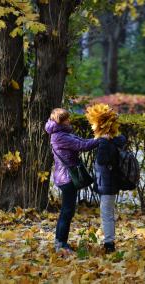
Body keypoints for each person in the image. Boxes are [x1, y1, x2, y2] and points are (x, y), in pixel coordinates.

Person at [45, 108, 99, 255]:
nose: (70, 121)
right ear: (61, 121)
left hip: (63, 177)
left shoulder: (61, 133)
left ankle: (60, 241)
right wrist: (101, 139)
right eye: (67, 119)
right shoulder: (60, 136)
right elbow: (83, 146)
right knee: (67, 211)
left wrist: (97, 137)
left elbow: (81, 141)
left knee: (66, 211)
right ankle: (60, 244)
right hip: (67, 178)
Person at [86, 104, 126, 254]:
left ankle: (109, 243)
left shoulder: (105, 142)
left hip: (107, 183)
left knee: (107, 213)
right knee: (107, 211)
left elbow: (102, 160)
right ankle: (108, 240)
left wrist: (101, 143)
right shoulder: (116, 140)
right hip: (112, 181)